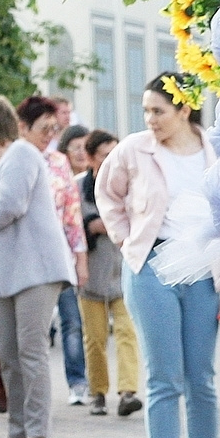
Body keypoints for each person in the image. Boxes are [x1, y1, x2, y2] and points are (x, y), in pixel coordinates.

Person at [96, 77, 220, 438]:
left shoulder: (216, 149)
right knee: (163, 376)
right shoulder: (134, 149)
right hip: (151, 265)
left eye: (158, 111)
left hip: (202, 269)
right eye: (146, 111)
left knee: (201, 376)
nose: (150, 120)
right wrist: (124, 238)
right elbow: (106, 193)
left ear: (184, 110)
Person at [0, 95, 74, 438]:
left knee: (31, 351)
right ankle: (16, 430)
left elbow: (11, 204)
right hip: (5, 271)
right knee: (7, 353)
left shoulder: (23, 154)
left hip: (36, 269)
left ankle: (38, 433)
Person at [17, 96, 90, 403]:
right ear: (23, 127)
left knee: (72, 321)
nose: (50, 135)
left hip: (58, 257)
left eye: (54, 128)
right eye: (44, 128)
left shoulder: (59, 162)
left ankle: (77, 383)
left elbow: (72, 215)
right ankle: (18, 394)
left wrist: (80, 259)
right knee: (24, 335)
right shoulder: (5, 158)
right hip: (19, 258)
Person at [76, 130, 139, 418]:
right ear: (89, 158)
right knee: (95, 337)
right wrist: (92, 225)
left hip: (124, 270)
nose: (112, 160)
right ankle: (97, 393)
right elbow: (72, 225)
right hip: (90, 272)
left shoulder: (130, 183)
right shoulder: (77, 187)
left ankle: (128, 392)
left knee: (127, 332)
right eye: (104, 155)